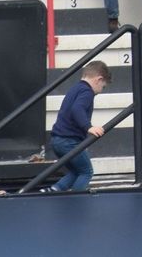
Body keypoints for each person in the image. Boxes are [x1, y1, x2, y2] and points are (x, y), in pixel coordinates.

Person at [49, 61, 110, 193]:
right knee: (86, 172)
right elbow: (77, 109)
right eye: (103, 87)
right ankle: (77, 199)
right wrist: (88, 127)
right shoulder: (87, 92)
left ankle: (55, 189)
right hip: (69, 141)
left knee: (75, 171)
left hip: (57, 140)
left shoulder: (75, 88)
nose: (100, 91)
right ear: (99, 79)